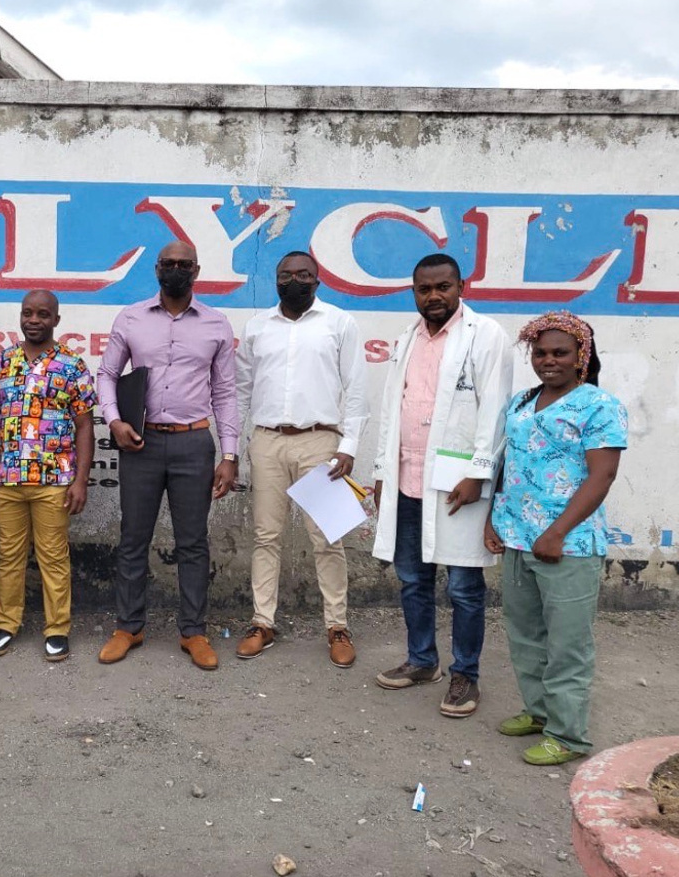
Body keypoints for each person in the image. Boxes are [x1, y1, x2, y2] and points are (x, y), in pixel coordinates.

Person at [371, 254, 514, 717]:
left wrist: (479, 472)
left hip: (458, 483)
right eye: (424, 289)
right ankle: (421, 660)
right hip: (407, 477)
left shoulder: (485, 335)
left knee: (464, 586)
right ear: (413, 292)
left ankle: (464, 676)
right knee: (412, 579)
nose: (433, 296)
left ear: (460, 287)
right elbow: (393, 407)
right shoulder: (406, 337)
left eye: (443, 287)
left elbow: (495, 409)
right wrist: (381, 472)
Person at [484, 311, 626, 766]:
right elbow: (507, 465)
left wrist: (557, 531)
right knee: (525, 636)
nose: (549, 361)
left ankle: (568, 735)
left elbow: (602, 475)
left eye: (560, 353)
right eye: (541, 353)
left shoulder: (598, 406)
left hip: (568, 545)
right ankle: (539, 712)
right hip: (518, 537)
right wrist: (493, 519)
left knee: (567, 644)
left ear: (581, 356)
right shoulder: (523, 402)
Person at [95, 241, 239, 671]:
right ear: (157, 269)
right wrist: (114, 420)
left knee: (193, 543)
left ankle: (193, 631)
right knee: (133, 538)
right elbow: (106, 374)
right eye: (169, 263)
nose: (176, 269)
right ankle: (129, 626)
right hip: (140, 442)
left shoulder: (216, 324)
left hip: (193, 444)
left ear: (197, 270)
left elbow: (226, 393)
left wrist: (229, 455)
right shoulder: (132, 317)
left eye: (184, 264)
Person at [234, 251, 368, 668]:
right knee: (265, 537)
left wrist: (347, 448)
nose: (294, 281)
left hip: (320, 442)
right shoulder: (258, 327)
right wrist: (234, 451)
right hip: (268, 441)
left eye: (303, 274)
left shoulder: (339, 323)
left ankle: (337, 626)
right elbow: (241, 390)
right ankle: (262, 622)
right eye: (285, 275)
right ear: (275, 280)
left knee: (328, 537)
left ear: (318, 279)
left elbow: (358, 389)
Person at [0, 290, 96, 663]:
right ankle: (5, 624)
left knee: (53, 557)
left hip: (54, 481)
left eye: (43, 314)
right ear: (20, 317)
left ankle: (57, 629)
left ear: (56, 320)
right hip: (9, 479)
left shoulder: (71, 365)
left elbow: (84, 426)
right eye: (28, 313)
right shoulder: (2, 362)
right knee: (9, 556)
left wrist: (80, 480)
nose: (34, 320)